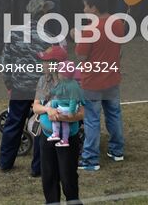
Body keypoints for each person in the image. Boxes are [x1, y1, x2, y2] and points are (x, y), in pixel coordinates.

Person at [75, 0, 126, 172]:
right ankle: (117, 150)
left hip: (93, 82)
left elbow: (81, 57)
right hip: (112, 78)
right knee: (114, 114)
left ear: (94, 8)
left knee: (92, 120)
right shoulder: (117, 22)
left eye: (85, 7)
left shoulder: (90, 30)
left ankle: (90, 159)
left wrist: (77, 37)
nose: (84, 10)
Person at [33, 43, 85, 203]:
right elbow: (35, 106)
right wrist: (48, 110)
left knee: (67, 176)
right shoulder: (43, 80)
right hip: (46, 137)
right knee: (48, 176)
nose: (43, 64)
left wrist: (64, 117)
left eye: (46, 61)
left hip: (68, 139)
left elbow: (83, 113)